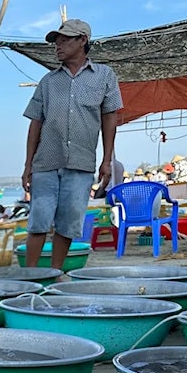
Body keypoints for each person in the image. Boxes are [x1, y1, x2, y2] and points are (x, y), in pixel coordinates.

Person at [21, 18, 122, 270]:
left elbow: (110, 118)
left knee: (68, 222)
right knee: (39, 220)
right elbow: (35, 124)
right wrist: (27, 165)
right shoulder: (48, 81)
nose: (58, 46)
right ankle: (31, 274)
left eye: (65, 40)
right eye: (57, 41)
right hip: (45, 161)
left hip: (81, 161)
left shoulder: (104, 76)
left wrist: (107, 160)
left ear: (83, 41)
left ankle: (55, 272)